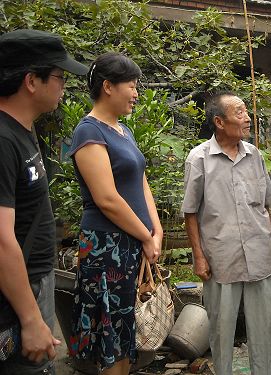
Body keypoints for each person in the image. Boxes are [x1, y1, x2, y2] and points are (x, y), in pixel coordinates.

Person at [67, 52, 162, 375]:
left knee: (124, 331)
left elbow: (141, 182)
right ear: (108, 86)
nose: (136, 93)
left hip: (133, 242)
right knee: (110, 336)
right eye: (132, 86)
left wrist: (156, 231)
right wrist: (144, 235)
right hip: (106, 246)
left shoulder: (123, 130)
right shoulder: (89, 131)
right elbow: (106, 198)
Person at [0, 29, 88, 374]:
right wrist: (31, 318)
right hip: (16, 297)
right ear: (31, 81)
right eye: (58, 76)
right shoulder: (4, 140)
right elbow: (2, 238)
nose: (63, 85)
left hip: (35, 281)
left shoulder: (22, 132)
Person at [181, 92, 271, 375]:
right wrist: (198, 257)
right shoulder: (199, 158)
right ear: (219, 121)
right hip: (221, 260)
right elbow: (190, 212)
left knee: (263, 329)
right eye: (239, 113)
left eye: (246, 112)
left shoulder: (255, 156)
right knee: (221, 330)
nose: (247, 118)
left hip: (260, 258)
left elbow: (264, 205)